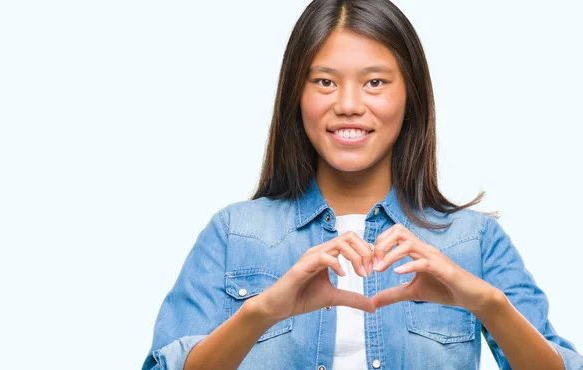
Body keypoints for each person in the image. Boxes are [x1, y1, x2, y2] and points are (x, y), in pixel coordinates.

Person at [141, 1, 583, 369]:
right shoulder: (234, 234)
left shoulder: (475, 241)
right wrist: (260, 311)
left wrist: (489, 304)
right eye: (325, 82)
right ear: (297, 94)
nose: (349, 105)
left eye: (374, 82)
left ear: (410, 95)